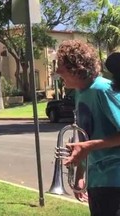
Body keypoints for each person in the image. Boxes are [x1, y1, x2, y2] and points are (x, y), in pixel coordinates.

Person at [55, 40, 120, 216]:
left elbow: (88, 144)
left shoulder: (103, 89)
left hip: (115, 180)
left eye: (62, 65)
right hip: (98, 181)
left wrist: (89, 146)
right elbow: (85, 138)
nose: (57, 71)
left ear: (77, 67)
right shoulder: (80, 92)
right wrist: (80, 175)